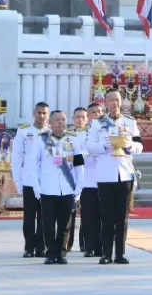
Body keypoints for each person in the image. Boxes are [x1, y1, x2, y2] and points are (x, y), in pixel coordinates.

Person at [86, 89, 143, 264]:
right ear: (105, 102)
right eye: (111, 100)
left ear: (121, 102)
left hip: (124, 173)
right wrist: (103, 145)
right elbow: (90, 146)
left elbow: (139, 146)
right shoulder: (97, 124)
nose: (114, 103)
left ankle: (120, 253)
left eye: (117, 100)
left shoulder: (130, 122)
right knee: (107, 215)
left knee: (122, 216)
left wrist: (129, 145)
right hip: (105, 174)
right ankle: (106, 253)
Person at [35, 110, 83, 265]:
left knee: (65, 224)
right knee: (48, 223)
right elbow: (34, 165)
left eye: (63, 119)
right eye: (57, 120)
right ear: (50, 123)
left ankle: (61, 253)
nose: (61, 122)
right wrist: (36, 186)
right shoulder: (41, 140)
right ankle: (50, 253)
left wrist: (79, 187)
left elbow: (79, 165)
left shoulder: (73, 139)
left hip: (68, 187)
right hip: (48, 188)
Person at [12, 103, 50, 258]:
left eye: (44, 113)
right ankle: (29, 247)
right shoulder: (24, 131)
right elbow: (16, 157)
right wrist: (17, 180)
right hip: (29, 180)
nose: (42, 116)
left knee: (44, 216)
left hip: (46, 181)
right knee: (29, 217)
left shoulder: (51, 132)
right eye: (39, 112)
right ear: (34, 113)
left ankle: (41, 247)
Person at [77, 102, 104, 257]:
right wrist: (89, 154)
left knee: (103, 215)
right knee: (88, 216)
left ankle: (100, 247)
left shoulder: (107, 131)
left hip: (104, 179)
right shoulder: (80, 134)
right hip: (87, 180)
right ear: (88, 116)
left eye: (99, 111)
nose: (97, 114)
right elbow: (75, 156)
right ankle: (88, 247)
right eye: (94, 112)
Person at [64, 107, 91, 253]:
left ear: (87, 119)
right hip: (72, 177)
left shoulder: (91, 134)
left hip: (88, 177)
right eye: (77, 117)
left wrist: (76, 157)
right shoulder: (67, 135)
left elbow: (90, 152)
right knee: (70, 212)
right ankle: (67, 243)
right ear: (73, 118)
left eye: (83, 117)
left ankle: (84, 243)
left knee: (86, 212)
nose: (80, 120)